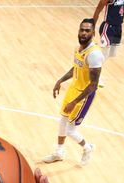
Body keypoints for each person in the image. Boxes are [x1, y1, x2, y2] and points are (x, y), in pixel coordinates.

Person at [42, 19, 103, 167]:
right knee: (62, 121)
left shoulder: (94, 54)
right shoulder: (78, 48)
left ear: (93, 33)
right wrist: (60, 80)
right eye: (82, 29)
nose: (83, 32)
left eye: (87, 30)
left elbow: (94, 84)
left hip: (85, 95)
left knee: (70, 130)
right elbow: (76, 67)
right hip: (74, 89)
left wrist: (74, 101)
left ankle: (87, 148)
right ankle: (59, 152)